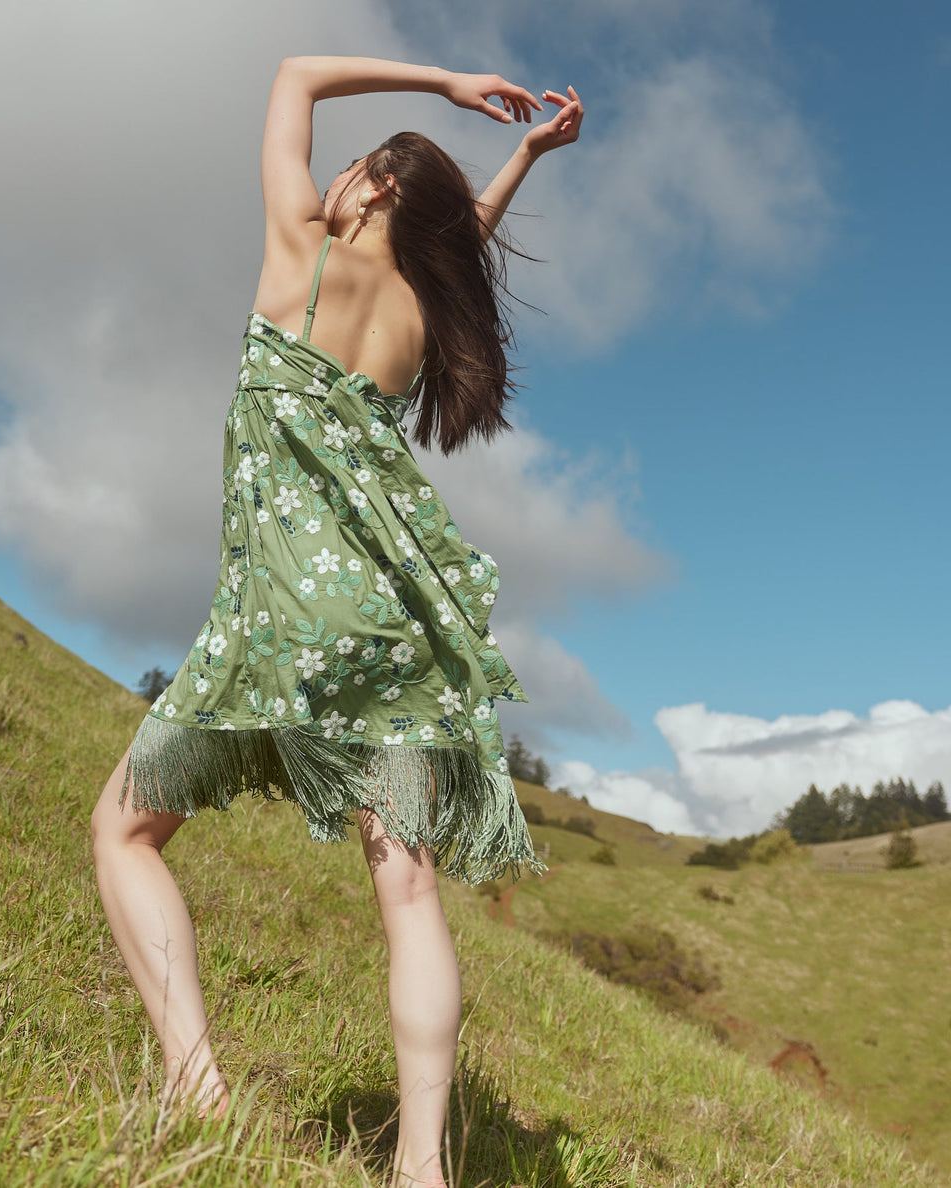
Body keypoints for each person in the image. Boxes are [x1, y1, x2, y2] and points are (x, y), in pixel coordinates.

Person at [91, 55, 584, 1188]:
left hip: (276, 628)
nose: (333, 178)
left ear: (362, 196)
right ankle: (422, 1170)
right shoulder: (413, 315)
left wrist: (451, 86)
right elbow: (452, 245)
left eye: (352, 170)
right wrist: (517, 159)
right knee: (405, 888)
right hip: (391, 627)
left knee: (124, 832)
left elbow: (298, 72)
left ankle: (196, 1086)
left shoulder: (297, 259)